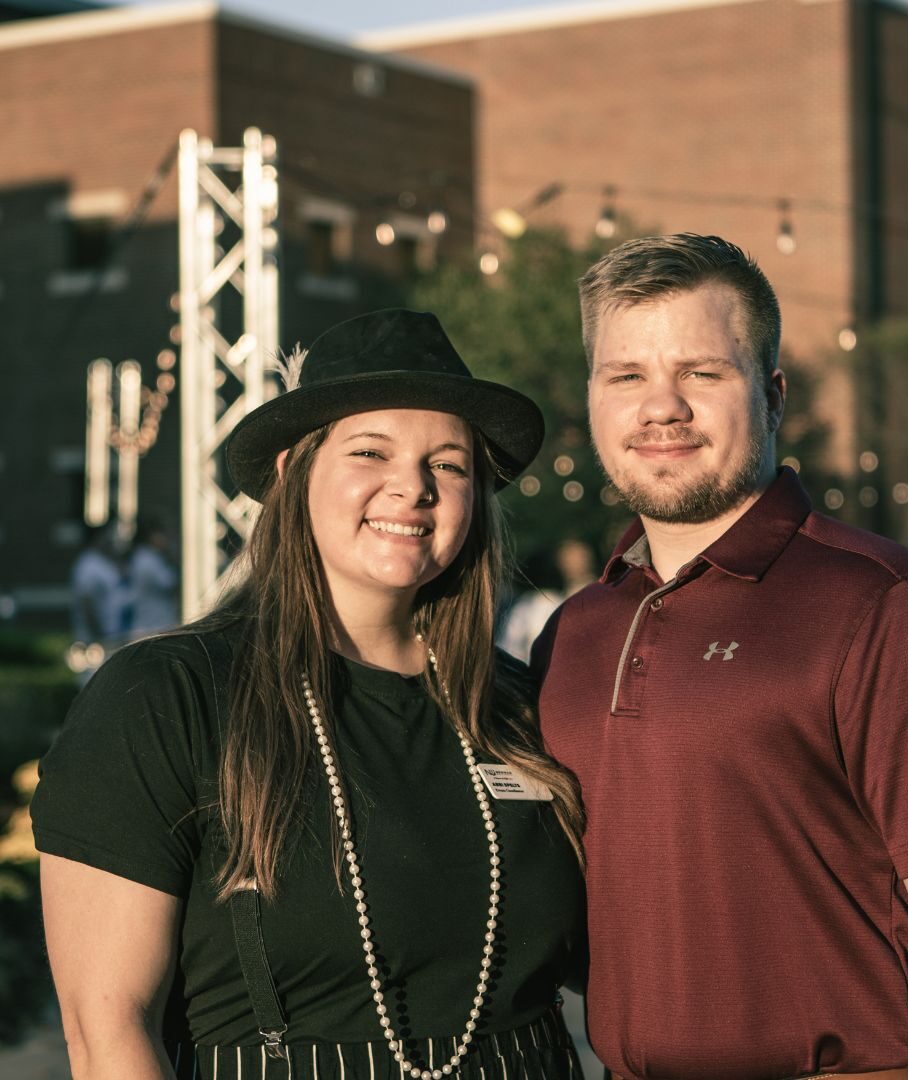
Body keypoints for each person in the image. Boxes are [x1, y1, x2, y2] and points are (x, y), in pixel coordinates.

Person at [32, 310, 587, 1080]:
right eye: (370, 451)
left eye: (450, 464)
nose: (413, 487)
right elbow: (108, 1031)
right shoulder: (168, 696)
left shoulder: (523, 706)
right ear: (294, 471)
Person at [532, 235, 908, 1080]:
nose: (663, 408)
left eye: (702, 373)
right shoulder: (575, 634)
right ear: (593, 399)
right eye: (626, 376)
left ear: (771, 395)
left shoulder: (883, 607)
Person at [498, 539, 596, 662]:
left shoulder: (590, 596)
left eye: (579, 556)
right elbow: (511, 646)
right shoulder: (534, 605)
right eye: (568, 557)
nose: (572, 562)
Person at [129, 515, 180, 637]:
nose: (167, 539)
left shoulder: (145, 556)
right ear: (153, 536)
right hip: (152, 626)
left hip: (153, 624)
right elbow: (171, 583)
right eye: (163, 535)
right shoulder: (148, 560)